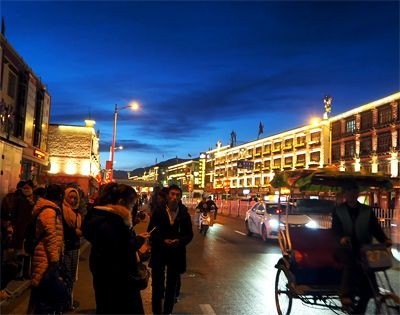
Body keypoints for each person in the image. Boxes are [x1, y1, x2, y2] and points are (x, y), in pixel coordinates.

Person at [82, 183, 149, 314]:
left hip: (106, 286)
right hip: (120, 290)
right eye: (131, 204)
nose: (131, 209)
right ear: (121, 202)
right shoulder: (113, 223)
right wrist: (138, 247)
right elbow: (120, 257)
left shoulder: (101, 218)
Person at [332, 180, 392, 314]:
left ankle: (362, 304)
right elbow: (335, 231)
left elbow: (375, 228)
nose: (352, 194)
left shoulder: (367, 210)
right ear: (345, 194)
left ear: (358, 193)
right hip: (344, 248)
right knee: (350, 262)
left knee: (371, 271)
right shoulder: (338, 211)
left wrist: (385, 239)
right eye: (349, 191)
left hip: (364, 248)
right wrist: (341, 238)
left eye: (354, 191)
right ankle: (345, 294)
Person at [147, 184, 193, 314]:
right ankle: (156, 312)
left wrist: (179, 241)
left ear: (180, 197)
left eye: (178, 195)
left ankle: (167, 312)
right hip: (159, 252)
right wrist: (162, 240)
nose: (175, 197)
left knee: (172, 286)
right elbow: (151, 231)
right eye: (172, 194)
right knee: (157, 286)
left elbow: (189, 234)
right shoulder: (158, 211)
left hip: (176, 253)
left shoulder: (184, 214)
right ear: (168, 196)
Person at [28, 184, 65, 314]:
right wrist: (55, 259)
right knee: (42, 291)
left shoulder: (49, 209)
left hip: (45, 254)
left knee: (41, 291)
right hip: (45, 256)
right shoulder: (49, 210)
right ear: (59, 196)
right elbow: (51, 235)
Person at [62, 187, 82, 311]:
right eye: (70, 197)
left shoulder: (77, 212)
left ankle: (68, 301)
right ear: (65, 197)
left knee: (72, 276)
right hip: (66, 247)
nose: (73, 200)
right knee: (66, 276)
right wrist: (75, 231)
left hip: (75, 246)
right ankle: (64, 302)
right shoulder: (62, 210)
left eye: (75, 198)